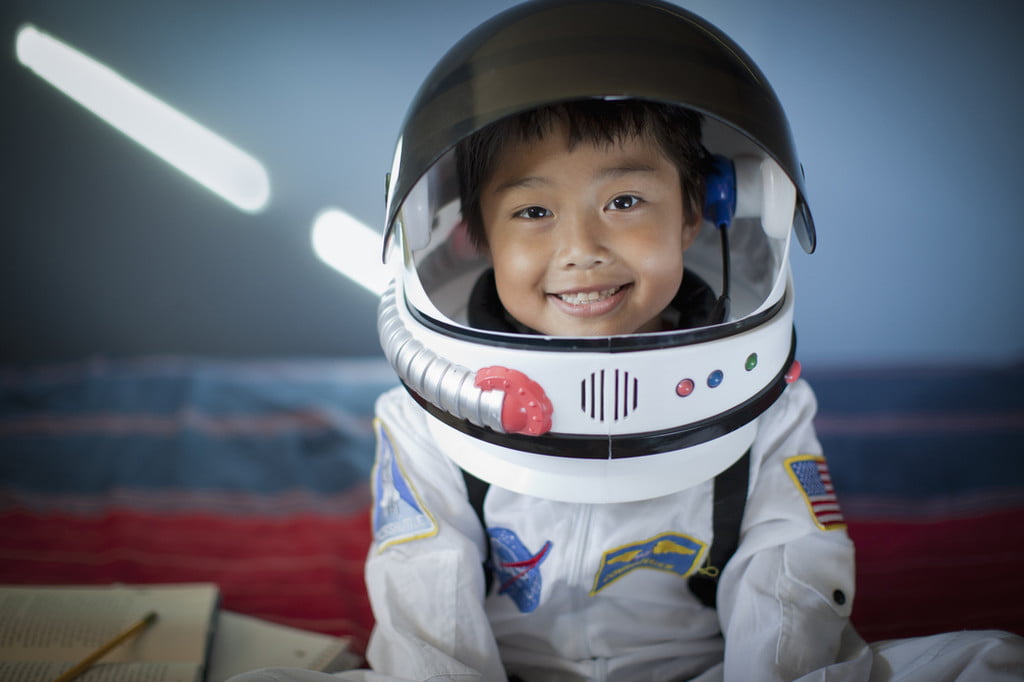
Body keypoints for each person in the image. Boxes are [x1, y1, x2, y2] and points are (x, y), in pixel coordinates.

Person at [232, 1, 1024, 680]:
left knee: (991, 660)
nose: (581, 248)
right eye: (533, 212)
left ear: (697, 211)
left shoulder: (763, 403)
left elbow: (787, 578)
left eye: (625, 200)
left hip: (702, 669)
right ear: (474, 231)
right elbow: (425, 594)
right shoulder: (424, 416)